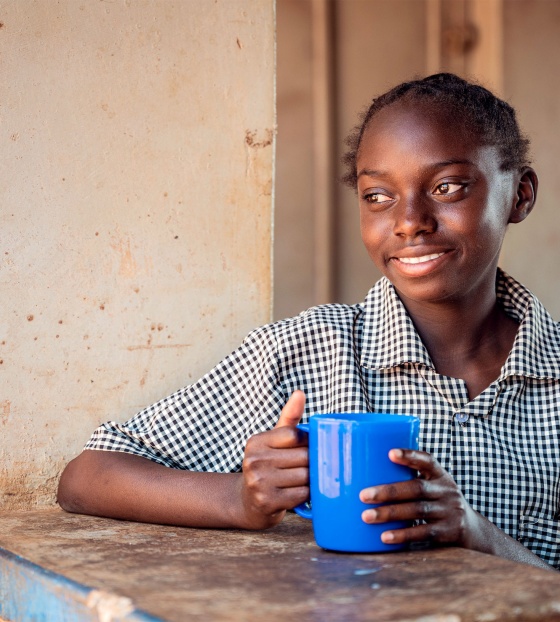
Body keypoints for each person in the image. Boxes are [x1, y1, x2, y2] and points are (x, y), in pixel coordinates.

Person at [57, 73, 560, 571]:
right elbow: (86, 477)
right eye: (378, 196)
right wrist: (239, 498)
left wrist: (479, 535)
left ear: (520, 194)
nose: (410, 220)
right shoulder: (308, 352)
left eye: (448, 187)